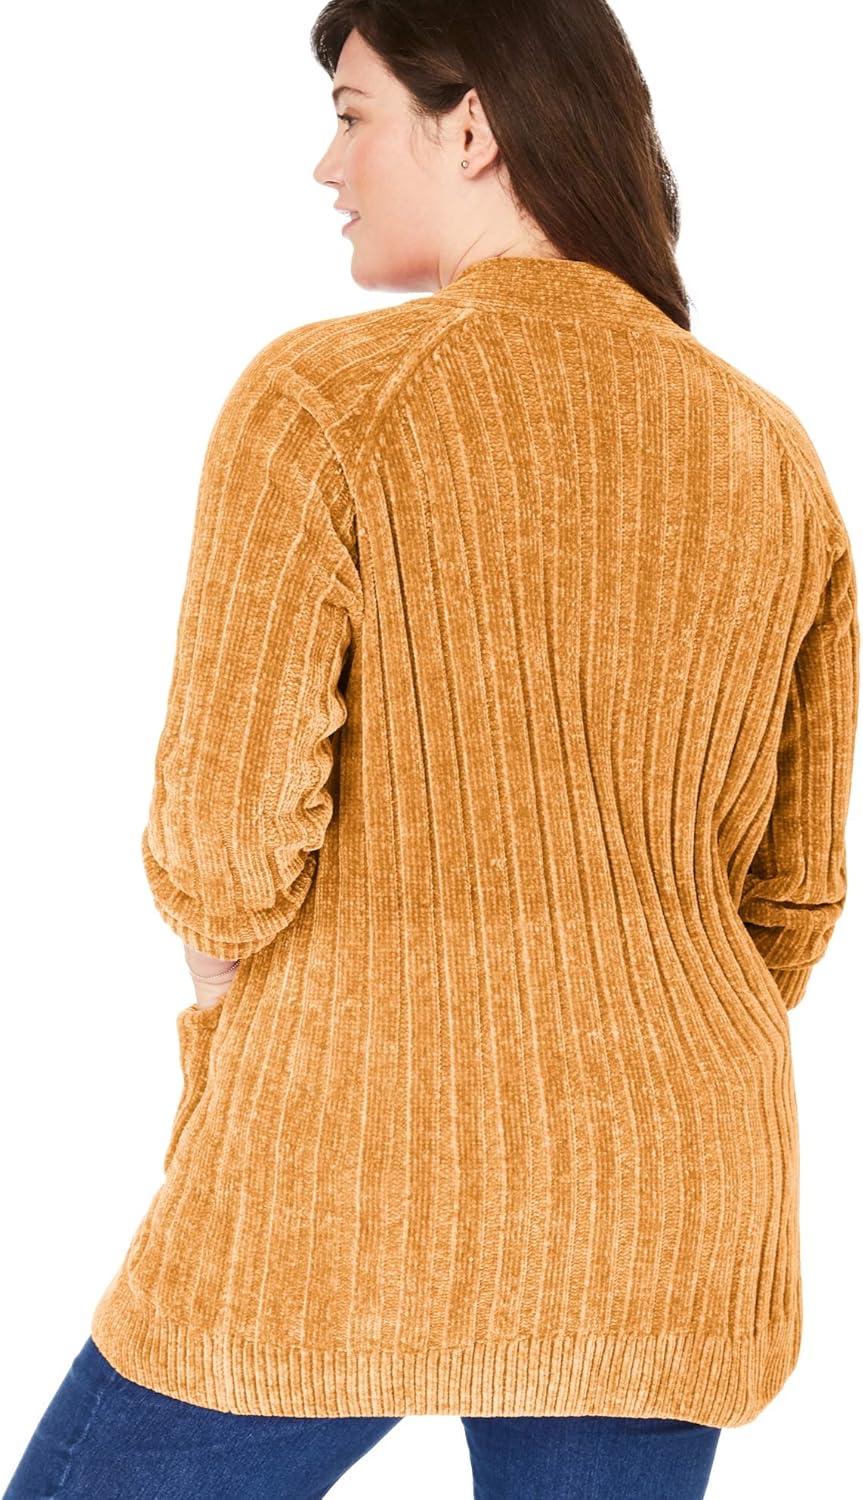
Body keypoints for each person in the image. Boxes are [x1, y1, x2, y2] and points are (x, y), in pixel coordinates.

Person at [5, 1, 858, 1496]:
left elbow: (221, 844)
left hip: (340, 1168)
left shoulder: (324, 403)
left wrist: (246, 1004)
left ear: (473, 128)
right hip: (662, 1202)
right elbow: (790, 899)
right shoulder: (769, 451)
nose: (325, 166)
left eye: (352, 115)